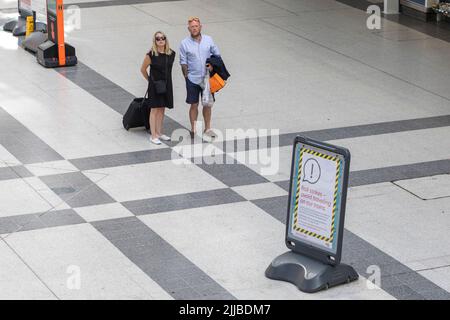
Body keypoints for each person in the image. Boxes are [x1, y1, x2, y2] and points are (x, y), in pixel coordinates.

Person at [179, 16, 221, 138]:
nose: (194, 28)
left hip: (207, 78)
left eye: (196, 26)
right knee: (194, 104)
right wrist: (186, 77)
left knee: (207, 104)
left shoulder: (209, 40)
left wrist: (213, 65)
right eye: (192, 27)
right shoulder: (184, 43)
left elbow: (217, 54)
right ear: (188, 29)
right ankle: (194, 129)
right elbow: (183, 62)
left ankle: (207, 129)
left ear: (200, 27)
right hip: (192, 79)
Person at [140, 31, 176, 145]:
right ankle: (153, 134)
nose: (160, 40)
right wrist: (151, 81)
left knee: (162, 108)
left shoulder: (171, 54)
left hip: (167, 85)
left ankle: (159, 133)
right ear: (155, 41)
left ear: (166, 40)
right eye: (158, 38)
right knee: (154, 109)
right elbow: (143, 69)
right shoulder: (150, 55)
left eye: (163, 38)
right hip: (155, 85)